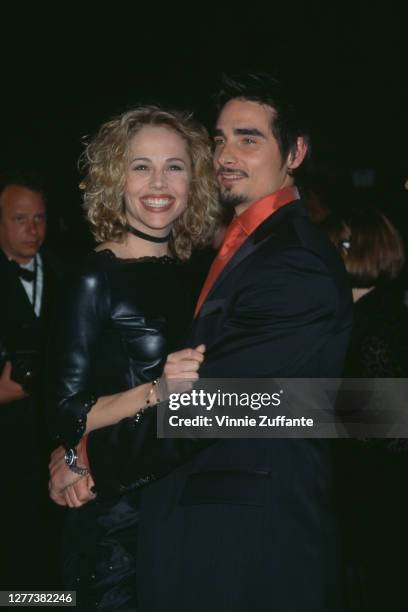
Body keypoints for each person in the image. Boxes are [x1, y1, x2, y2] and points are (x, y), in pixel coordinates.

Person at [50, 74, 353, 612]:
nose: (227, 154)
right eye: (219, 139)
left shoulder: (289, 260)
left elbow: (221, 404)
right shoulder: (234, 255)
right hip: (145, 520)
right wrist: (83, 446)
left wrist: (90, 457)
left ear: (296, 151)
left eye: (248, 138)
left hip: (237, 532)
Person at [47, 106, 219, 609]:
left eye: (175, 166)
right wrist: (156, 391)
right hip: (118, 525)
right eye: (140, 166)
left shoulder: (195, 274)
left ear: (195, 180)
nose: (158, 182)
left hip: (181, 506)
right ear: (115, 179)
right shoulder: (94, 278)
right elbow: (65, 411)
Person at [324, 209, 408, 611]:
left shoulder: (377, 323)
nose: (332, 254)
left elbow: (393, 430)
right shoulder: (363, 316)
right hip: (366, 490)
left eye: (341, 245)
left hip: (377, 496)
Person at [0, 171, 62, 588]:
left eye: (39, 218)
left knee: (51, 550)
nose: (32, 229)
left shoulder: (69, 272)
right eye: (21, 218)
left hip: (53, 439)